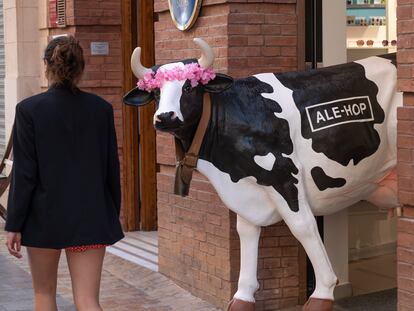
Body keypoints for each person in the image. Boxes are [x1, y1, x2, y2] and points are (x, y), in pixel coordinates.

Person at [4, 35, 124, 311]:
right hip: (90, 217)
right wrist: (108, 213)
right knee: (88, 300)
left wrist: (14, 223)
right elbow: (111, 168)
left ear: (46, 64)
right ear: (81, 67)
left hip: (44, 218)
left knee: (44, 296)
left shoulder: (29, 110)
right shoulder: (101, 109)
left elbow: (25, 174)